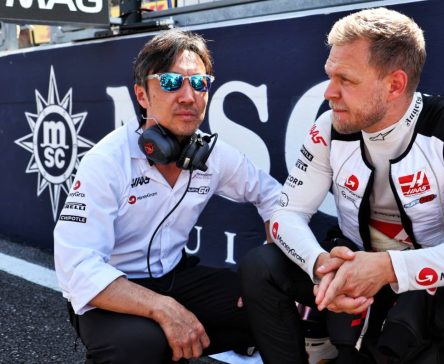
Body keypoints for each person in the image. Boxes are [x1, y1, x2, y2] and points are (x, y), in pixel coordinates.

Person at [239, 7, 444, 364]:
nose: (330, 92)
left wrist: (388, 268)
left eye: (347, 80)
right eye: (330, 76)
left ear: (395, 85)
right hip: (352, 268)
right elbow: (285, 214)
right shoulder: (327, 127)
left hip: (431, 280)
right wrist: (320, 264)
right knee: (261, 265)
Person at [54, 28, 281, 364]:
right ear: (142, 96)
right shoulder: (106, 161)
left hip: (175, 277)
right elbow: (76, 268)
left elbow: (274, 198)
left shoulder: (211, 155)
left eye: (200, 83)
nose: (189, 96)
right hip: (113, 292)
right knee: (140, 344)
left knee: (269, 302)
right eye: (172, 83)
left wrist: (272, 264)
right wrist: (165, 309)